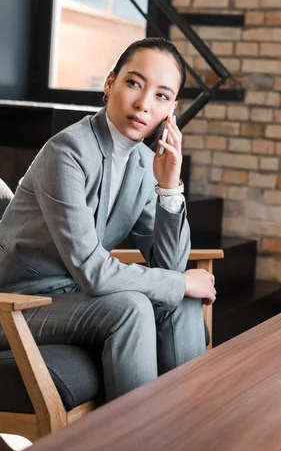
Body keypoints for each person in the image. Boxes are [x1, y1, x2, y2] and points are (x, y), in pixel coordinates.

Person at [0, 37, 216, 400]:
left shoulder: (144, 165)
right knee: (132, 307)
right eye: (134, 83)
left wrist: (169, 188)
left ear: (171, 110)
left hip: (74, 300)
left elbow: (170, 265)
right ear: (110, 83)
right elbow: (94, 271)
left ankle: (186, 433)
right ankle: (132, 448)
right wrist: (180, 283)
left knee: (181, 301)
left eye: (161, 96)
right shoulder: (67, 151)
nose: (144, 104)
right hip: (15, 305)